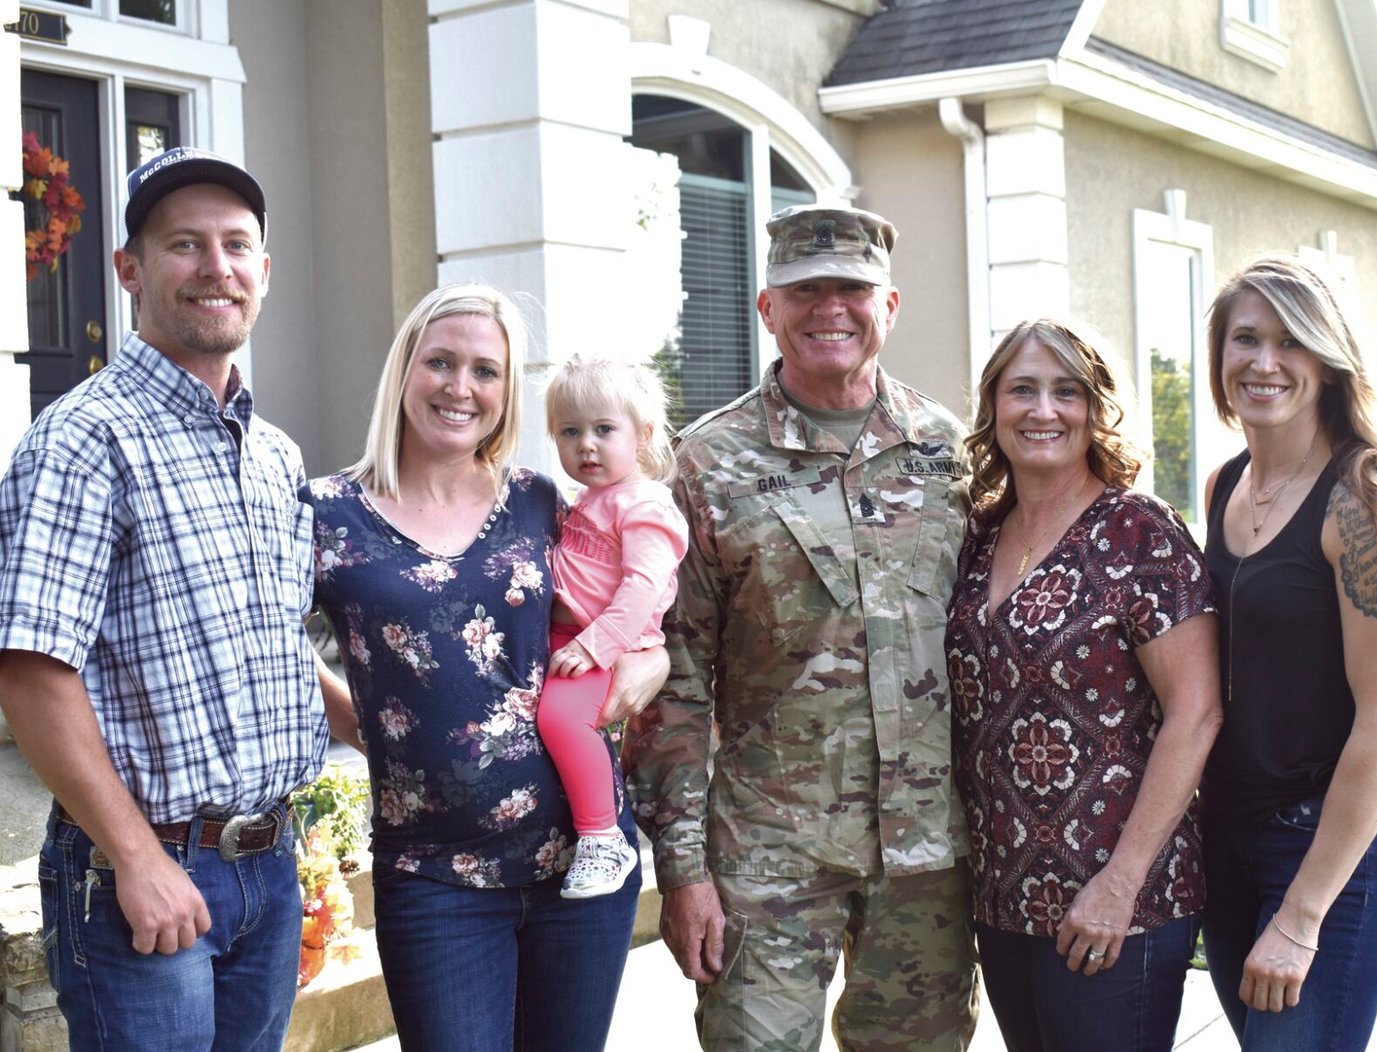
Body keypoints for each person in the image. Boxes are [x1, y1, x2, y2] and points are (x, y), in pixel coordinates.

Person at [626, 205, 980, 1050]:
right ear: (766, 309)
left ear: (887, 307)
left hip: (928, 856)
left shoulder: (948, 452)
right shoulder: (706, 466)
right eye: (805, 290)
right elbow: (671, 686)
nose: (831, 308)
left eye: (851, 289)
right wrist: (681, 874)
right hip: (765, 857)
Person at [0, 147, 325, 1049]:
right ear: (130, 270)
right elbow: (30, 673)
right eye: (184, 244)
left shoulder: (275, 456)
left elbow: (279, 646)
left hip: (268, 869)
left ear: (263, 271)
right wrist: (137, 857)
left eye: (235, 245)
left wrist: (403, 723)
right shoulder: (81, 439)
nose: (215, 268)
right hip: (139, 871)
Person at [305, 283, 667, 1051]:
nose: (461, 387)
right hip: (434, 877)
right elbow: (266, 642)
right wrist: (368, 724)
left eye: (486, 371)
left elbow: (620, 595)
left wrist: (652, 653)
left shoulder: (539, 500)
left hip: (580, 863)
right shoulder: (327, 513)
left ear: (506, 392)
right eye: (440, 362)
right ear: (405, 370)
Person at [1198, 255, 1377, 1050]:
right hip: (1230, 833)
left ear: (1327, 358)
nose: (1263, 361)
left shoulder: (1367, 499)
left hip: (1328, 846)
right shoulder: (1225, 486)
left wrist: (1302, 912)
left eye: (1291, 341)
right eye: (1244, 339)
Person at [944, 319, 1222, 1051]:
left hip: (1116, 899)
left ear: (1095, 408)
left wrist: (1119, 883)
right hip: (1003, 894)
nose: (1043, 410)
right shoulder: (976, 534)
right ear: (992, 408)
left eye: (1065, 391)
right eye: (1022, 390)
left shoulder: (1139, 533)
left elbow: (1195, 712)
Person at [539, 354, 689, 899]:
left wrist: (596, 645)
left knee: (562, 719)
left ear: (643, 434)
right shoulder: (587, 499)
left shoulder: (646, 504)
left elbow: (643, 588)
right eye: (570, 431)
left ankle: (603, 837)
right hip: (572, 637)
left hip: (607, 642)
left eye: (605, 429)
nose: (587, 445)